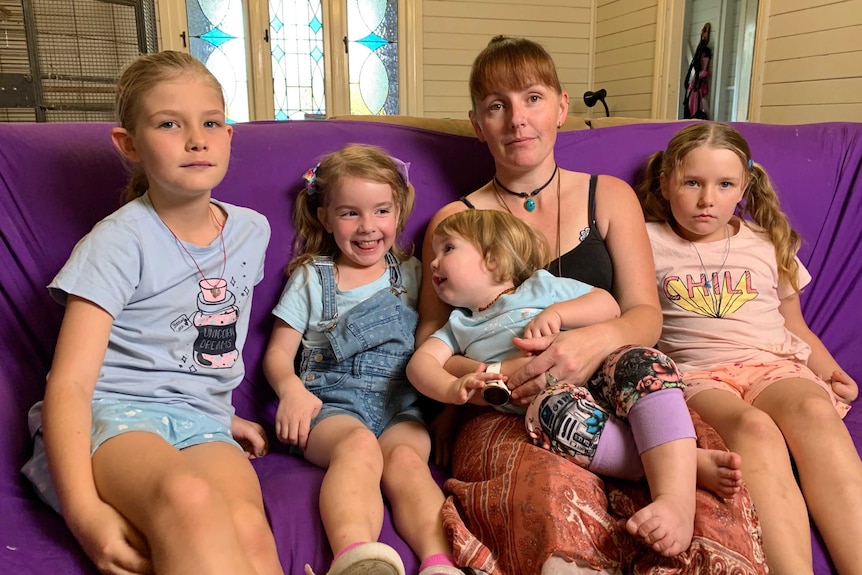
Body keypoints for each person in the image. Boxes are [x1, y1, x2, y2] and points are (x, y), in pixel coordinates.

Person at [416, 35, 765, 574]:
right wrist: (500, 374)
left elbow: (645, 316)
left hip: (614, 379)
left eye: (532, 98)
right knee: (548, 496)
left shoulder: (610, 195)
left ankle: (669, 482)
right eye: (496, 106)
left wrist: (590, 341)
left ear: (562, 106)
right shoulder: (452, 223)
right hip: (508, 409)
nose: (516, 120)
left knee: (704, 504)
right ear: (476, 122)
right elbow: (432, 344)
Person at [20, 51, 283, 575]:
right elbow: (70, 384)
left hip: (201, 421)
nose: (196, 139)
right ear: (130, 145)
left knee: (251, 530)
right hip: (113, 413)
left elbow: (191, 342)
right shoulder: (118, 242)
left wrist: (224, 413)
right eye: (170, 124)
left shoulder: (252, 231)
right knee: (187, 497)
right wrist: (85, 515)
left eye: (210, 123)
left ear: (229, 135)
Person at [637, 121, 862, 574]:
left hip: (772, 364)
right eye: (692, 183)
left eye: (724, 185)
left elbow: (794, 324)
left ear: (743, 187)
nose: (707, 200)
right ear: (665, 183)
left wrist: (832, 370)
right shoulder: (645, 241)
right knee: (754, 429)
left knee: (816, 411)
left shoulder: (764, 242)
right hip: (700, 376)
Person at [408, 210, 741, 513]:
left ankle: (674, 498)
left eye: (447, 249)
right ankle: (678, 464)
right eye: (435, 253)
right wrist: (453, 389)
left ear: (493, 258)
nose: (434, 263)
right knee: (552, 416)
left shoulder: (540, 287)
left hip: (600, 374)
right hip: (554, 401)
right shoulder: (459, 327)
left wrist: (557, 313)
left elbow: (607, 304)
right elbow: (420, 365)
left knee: (643, 361)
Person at [262, 144, 461, 575]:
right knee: (357, 448)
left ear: (399, 212)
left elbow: (443, 338)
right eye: (350, 213)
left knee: (409, 463)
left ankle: (440, 561)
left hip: (401, 407)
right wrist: (290, 388)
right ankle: (356, 556)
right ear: (325, 217)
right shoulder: (312, 277)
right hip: (329, 408)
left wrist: (445, 410)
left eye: (381, 211)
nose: (368, 227)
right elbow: (278, 353)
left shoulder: (413, 273)